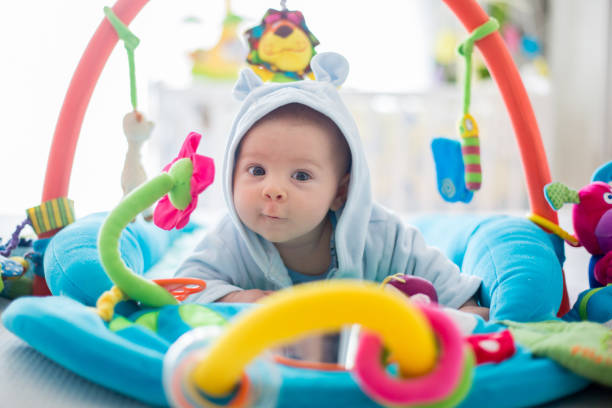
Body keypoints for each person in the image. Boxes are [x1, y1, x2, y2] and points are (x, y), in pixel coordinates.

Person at [175, 52, 489, 319]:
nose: (272, 189)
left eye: (300, 175)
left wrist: (463, 315)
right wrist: (239, 300)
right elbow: (183, 290)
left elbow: (455, 295)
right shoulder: (231, 240)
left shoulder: (382, 236)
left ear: (340, 192)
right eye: (256, 170)